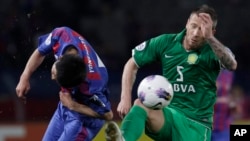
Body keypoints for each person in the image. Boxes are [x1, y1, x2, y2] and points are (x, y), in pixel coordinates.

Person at [106, 4, 237, 141]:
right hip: (168, 116)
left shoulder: (213, 52)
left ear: (212, 32)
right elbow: (131, 64)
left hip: (197, 125)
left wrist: (209, 37)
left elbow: (232, 64)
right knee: (141, 103)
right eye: (193, 26)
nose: (196, 33)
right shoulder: (166, 42)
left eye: (202, 29)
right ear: (187, 23)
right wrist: (125, 98)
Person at [16, 26, 113, 141]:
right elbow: (40, 52)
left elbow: (108, 115)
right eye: (54, 72)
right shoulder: (62, 35)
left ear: (73, 85)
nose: (52, 77)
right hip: (64, 107)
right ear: (60, 57)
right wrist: (25, 76)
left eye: (55, 77)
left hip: (84, 120)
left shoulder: (93, 86)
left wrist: (73, 105)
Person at [212, 70, 234, 141]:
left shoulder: (229, 74)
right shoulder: (206, 72)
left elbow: (230, 94)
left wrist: (231, 103)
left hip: (224, 127)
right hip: (207, 124)